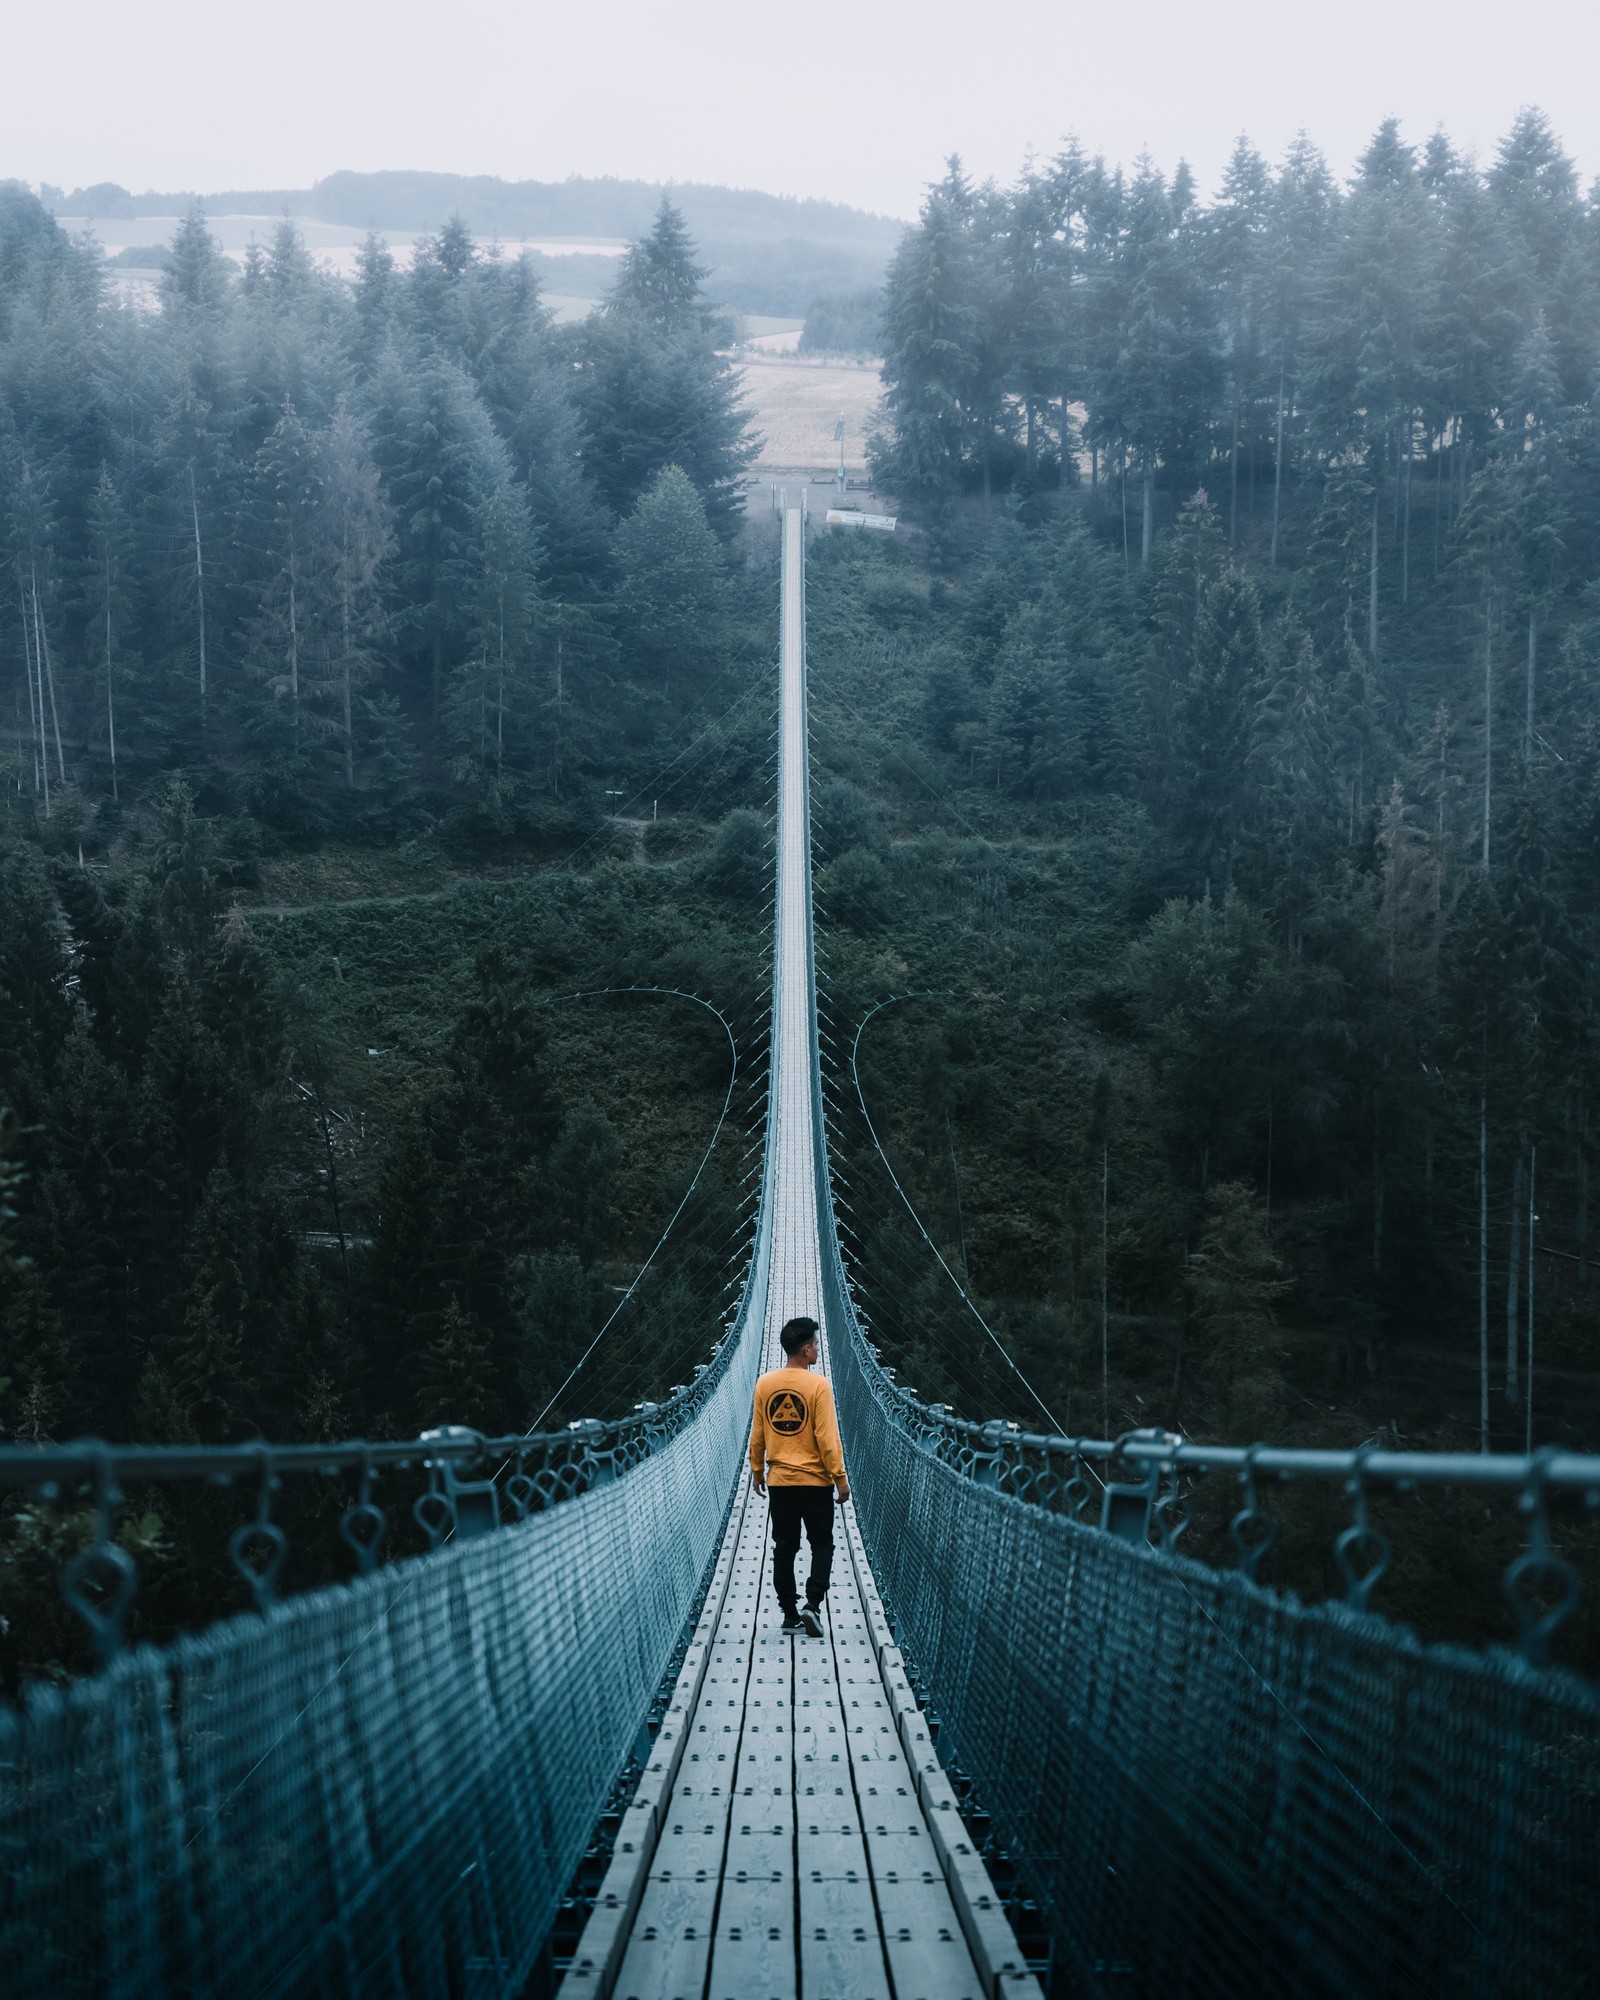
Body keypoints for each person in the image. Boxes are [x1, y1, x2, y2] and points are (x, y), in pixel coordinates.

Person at [748, 1315, 850, 1637]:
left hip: (781, 1483)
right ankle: (813, 1605)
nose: (818, 1350)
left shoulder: (765, 1384)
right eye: (816, 1345)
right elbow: (826, 1437)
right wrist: (840, 1478)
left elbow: (758, 1432)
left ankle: (790, 1615)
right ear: (806, 1350)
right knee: (822, 1543)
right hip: (816, 1483)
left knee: (784, 1547)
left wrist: (756, 1470)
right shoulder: (819, 1386)